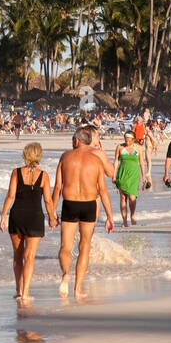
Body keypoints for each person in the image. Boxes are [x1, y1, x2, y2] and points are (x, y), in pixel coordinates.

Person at [51, 126, 114, 298]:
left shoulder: (65, 157)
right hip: (89, 205)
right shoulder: (96, 160)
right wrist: (109, 216)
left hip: (70, 204)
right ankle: (77, 289)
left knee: (65, 247)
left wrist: (52, 212)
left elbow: (57, 187)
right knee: (84, 247)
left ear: (77, 141)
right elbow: (103, 190)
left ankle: (65, 274)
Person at [0, 142, 57, 301]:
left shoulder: (16, 173)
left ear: (25, 154)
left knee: (17, 256)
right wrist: (52, 218)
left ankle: (18, 291)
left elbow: (10, 196)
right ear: (39, 156)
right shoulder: (43, 175)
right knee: (29, 257)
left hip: (17, 216)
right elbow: (48, 200)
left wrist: (3, 216)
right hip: (35, 218)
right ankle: (25, 292)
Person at [112, 130, 148, 227]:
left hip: (134, 175)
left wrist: (144, 176)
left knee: (132, 197)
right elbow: (116, 161)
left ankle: (132, 215)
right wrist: (114, 175)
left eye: (129, 139)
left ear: (133, 139)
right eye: (125, 138)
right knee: (123, 197)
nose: (126, 140)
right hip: (122, 174)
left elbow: (141, 163)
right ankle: (124, 220)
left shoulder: (139, 148)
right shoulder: (120, 147)